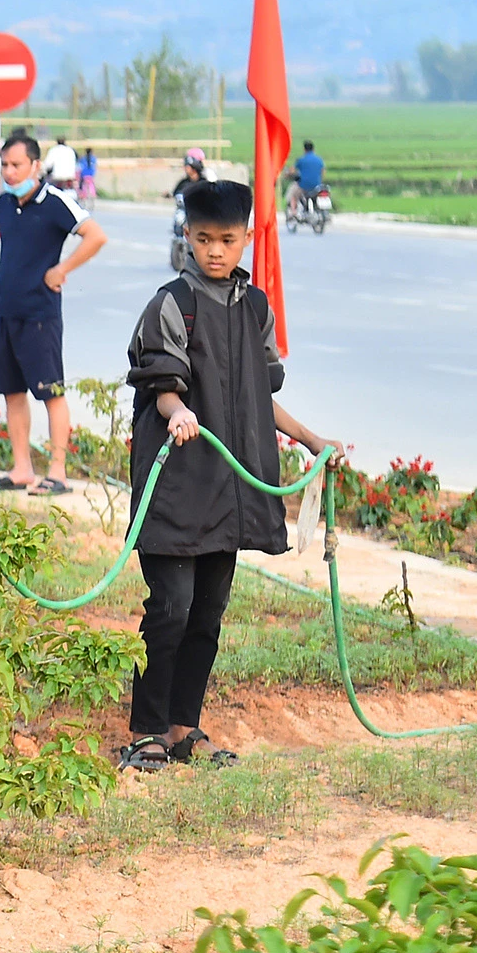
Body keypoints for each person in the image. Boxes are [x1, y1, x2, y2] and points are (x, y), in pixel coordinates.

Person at [120, 180, 329, 771]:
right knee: (171, 608)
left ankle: (186, 726)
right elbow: (163, 389)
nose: (216, 250)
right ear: (187, 235)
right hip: (176, 485)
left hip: (228, 488)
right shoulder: (171, 303)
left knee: (208, 611)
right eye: (204, 238)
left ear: (246, 240)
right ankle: (148, 729)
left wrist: (312, 439)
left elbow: (263, 395)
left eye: (228, 239)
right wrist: (178, 410)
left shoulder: (255, 306)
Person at [0, 135, 109, 496]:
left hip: (40, 315)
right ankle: (21, 470)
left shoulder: (56, 203)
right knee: (12, 393)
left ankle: (58, 473)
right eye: (4, 165)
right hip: (5, 313)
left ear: (35, 166)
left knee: (51, 392)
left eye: (16, 165)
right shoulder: (2, 204)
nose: (9, 172)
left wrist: (62, 270)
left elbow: (95, 236)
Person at [287, 139, 324, 216]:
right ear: (313, 149)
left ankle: (293, 213)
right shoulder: (319, 160)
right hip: (317, 185)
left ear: (304, 149)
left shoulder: (301, 160)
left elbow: (292, 170)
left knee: (293, 194)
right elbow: (322, 171)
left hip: (303, 186)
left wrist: (287, 174)